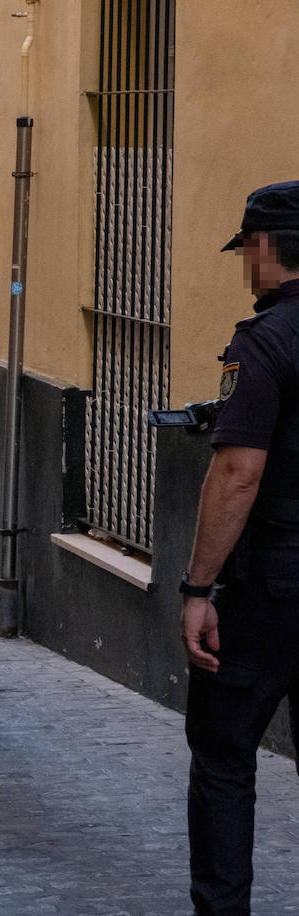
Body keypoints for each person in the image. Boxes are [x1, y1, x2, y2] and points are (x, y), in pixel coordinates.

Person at [180, 180, 299, 915]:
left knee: (225, 755)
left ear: (262, 249)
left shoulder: (265, 342)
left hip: (273, 587)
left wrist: (198, 589)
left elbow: (237, 472)